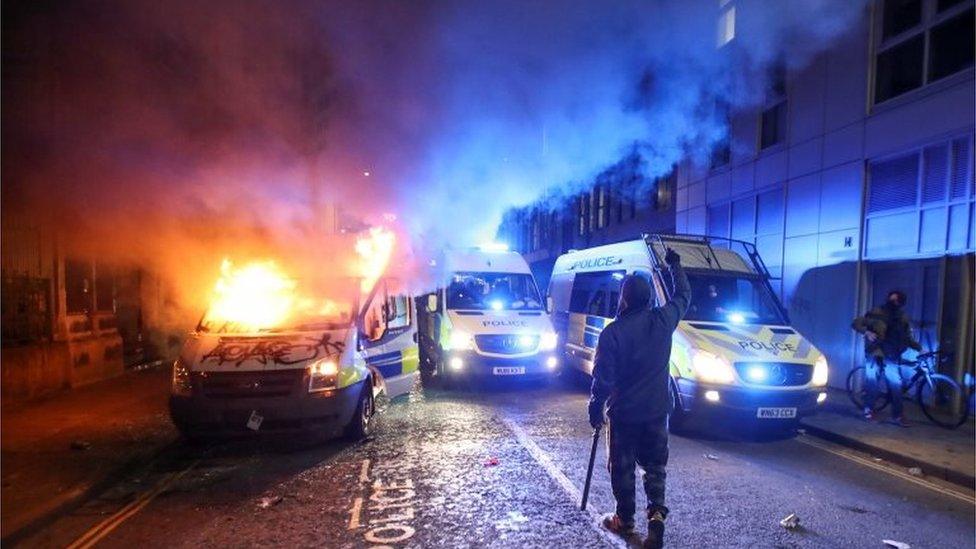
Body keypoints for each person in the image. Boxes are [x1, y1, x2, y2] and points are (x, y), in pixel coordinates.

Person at [588, 248, 690, 549]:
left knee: (622, 468)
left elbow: (602, 379)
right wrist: (675, 265)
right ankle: (656, 517)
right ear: (648, 299)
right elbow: (683, 295)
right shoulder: (663, 320)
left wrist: (596, 408)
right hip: (658, 412)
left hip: (626, 414)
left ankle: (624, 519)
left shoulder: (612, 333)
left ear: (625, 298)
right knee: (655, 467)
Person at [851, 290, 922, 426]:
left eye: (896, 300)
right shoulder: (876, 312)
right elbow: (856, 323)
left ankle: (898, 415)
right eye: (891, 299)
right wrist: (867, 332)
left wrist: (919, 348)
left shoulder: (902, 318)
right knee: (873, 382)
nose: (893, 302)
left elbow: (907, 338)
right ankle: (868, 410)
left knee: (896, 384)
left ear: (901, 303)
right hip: (875, 351)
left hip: (892, 353)